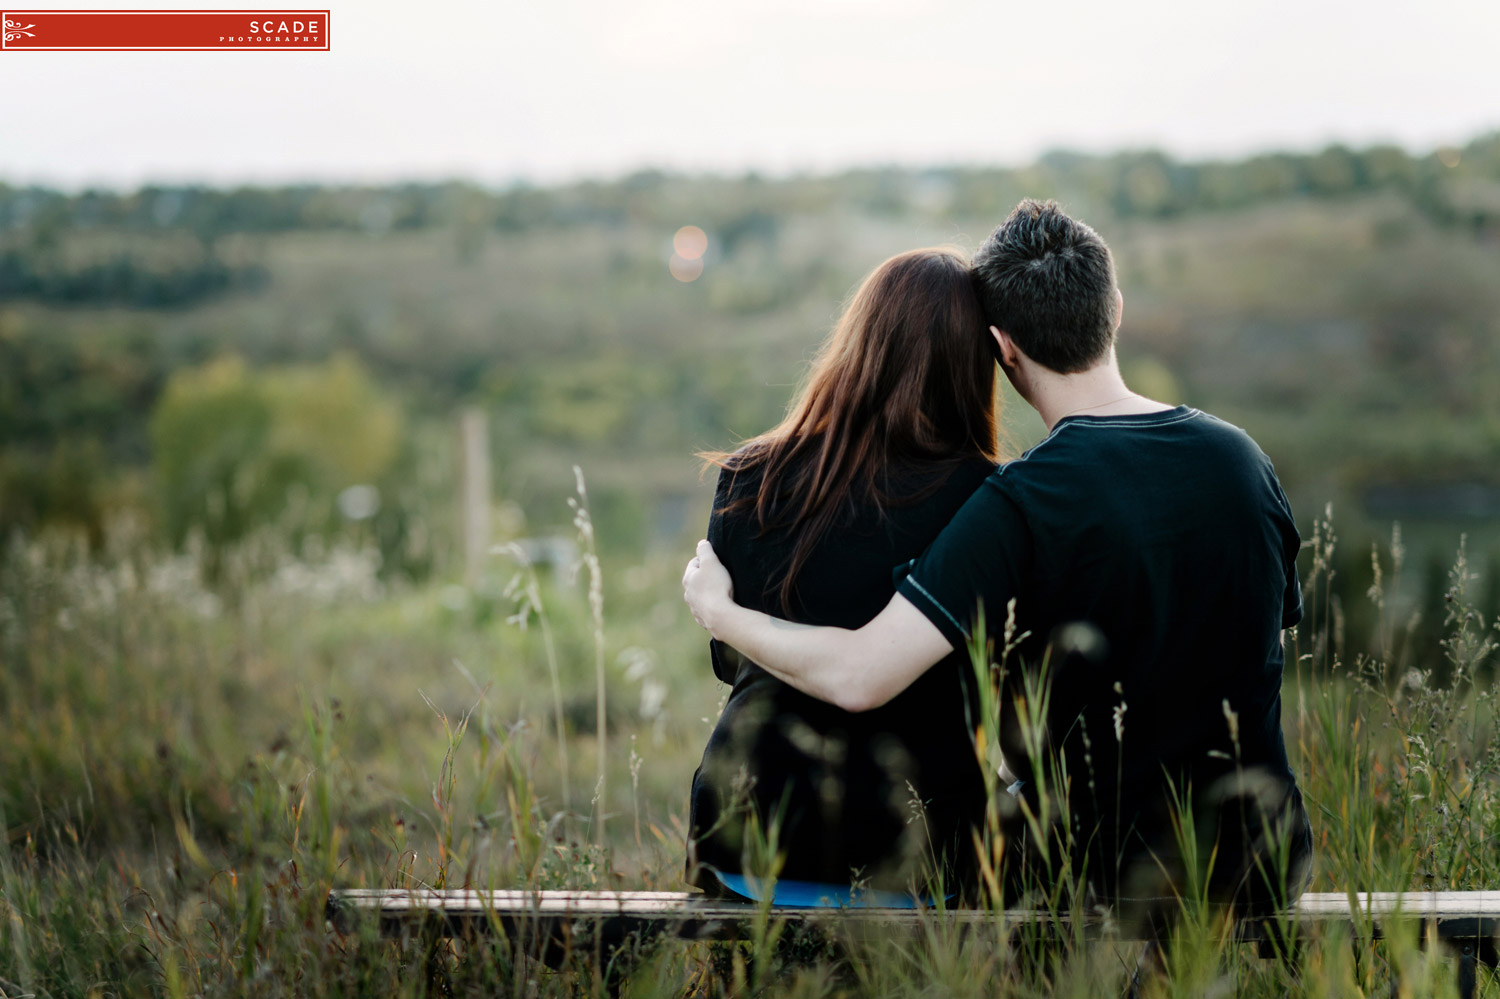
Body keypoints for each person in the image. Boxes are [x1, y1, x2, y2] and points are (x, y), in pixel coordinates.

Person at [683, 200, 1313, 921]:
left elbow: (863, 674)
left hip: (1104, 875)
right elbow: (1266, 643)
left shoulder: (1023, 500)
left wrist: (722, 613)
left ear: (1003, 349)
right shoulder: (1242, 459)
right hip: (1265, 862)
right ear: (1115, 308)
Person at [686, 247, 1003, 906]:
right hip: (916, 853)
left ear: (856, 340)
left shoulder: (749, 476)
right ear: (977, 364)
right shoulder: (986, 496)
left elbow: (730, 663)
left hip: (749, 840)